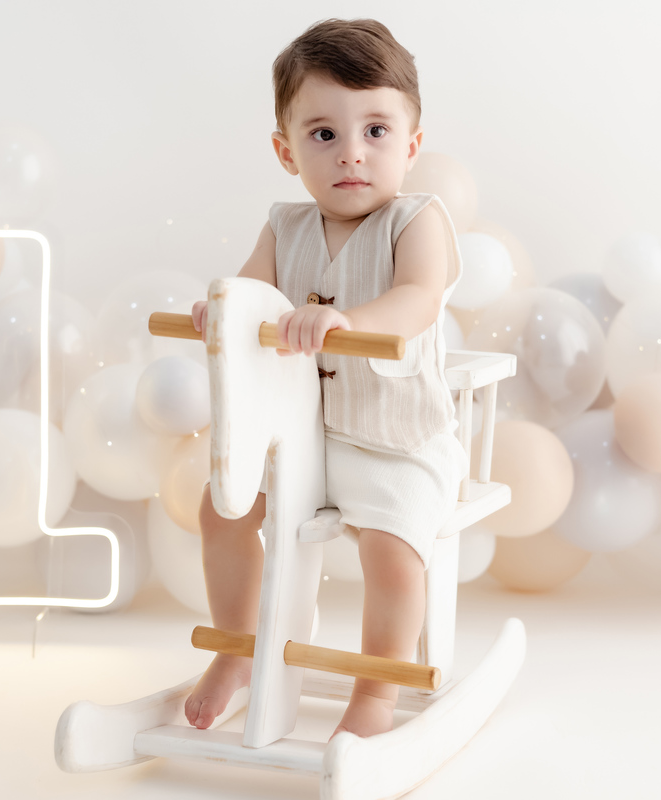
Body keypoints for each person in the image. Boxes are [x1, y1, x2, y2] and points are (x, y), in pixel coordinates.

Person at [185, 17, 467, 740]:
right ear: (287, 151)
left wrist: (346, 320)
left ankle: (374, 693)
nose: (352, 153)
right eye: (323, 134)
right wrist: (222, 312)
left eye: (376, 130)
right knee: (222, 508)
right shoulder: (283, 227)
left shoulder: (416, 222)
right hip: (306, 440)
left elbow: (419, 298)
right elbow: (250, 294)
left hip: (398, 441)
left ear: (411, 144)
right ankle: (239, 647)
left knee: (393, 553)